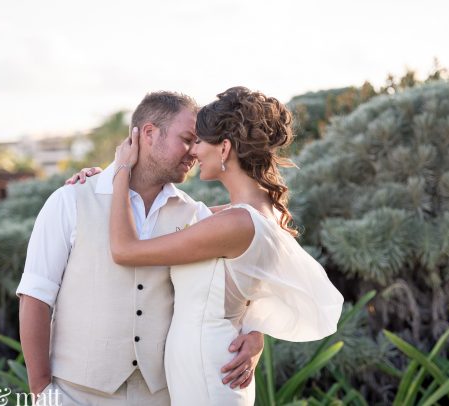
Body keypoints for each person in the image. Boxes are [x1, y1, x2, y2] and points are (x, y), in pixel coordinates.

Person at [16, 91, 264, 406]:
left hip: (161, 396)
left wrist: (256, 333)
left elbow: (243, 273)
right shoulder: (69, 201)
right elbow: (36, 297)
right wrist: (42, 392)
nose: (194, 151)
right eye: (187, 138)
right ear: (148, 133)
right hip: (75, 395)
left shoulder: (194, 213)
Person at [106, 86, 344, 405]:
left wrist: (120, 170)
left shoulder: (234, 224)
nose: (194, 151)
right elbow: (244, 284)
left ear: (225, 148)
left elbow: (125, 250)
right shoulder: (254, 213)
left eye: (200, 141)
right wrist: (254, 332)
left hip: (206, 371)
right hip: (204, 363)